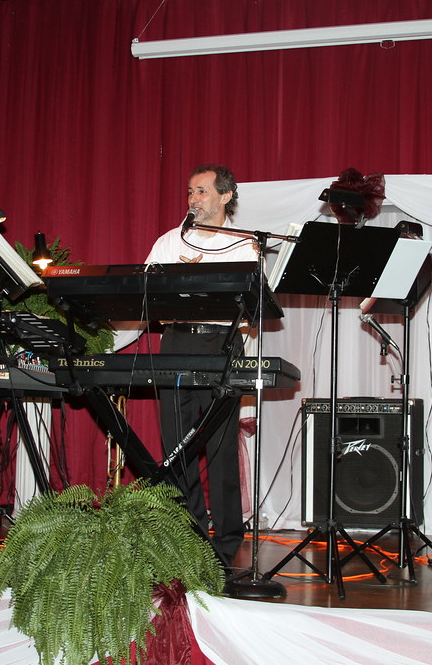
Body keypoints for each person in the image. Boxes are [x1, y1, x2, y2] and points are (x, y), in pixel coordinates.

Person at [144, 164, 257, 565]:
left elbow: (251, 300)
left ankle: (226, 540)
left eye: (202, 191)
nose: (193, 199)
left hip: (221, 343)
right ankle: (187, 534)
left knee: (221, 445)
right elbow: (146, 292)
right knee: (177, 443)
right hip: (176, 341)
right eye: (190, 191)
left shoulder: (245, 244)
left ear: (226, 196)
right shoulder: (168, 242)